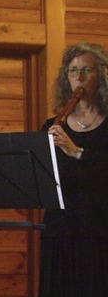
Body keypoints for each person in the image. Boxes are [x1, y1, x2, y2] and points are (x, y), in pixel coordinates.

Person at [38, 42, 108, 296]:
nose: (78, 77)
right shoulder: (53, 125)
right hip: (60, 231)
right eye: (72, 71)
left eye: (86, 70)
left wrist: (76, 151)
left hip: (100, 232)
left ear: (101, 75)